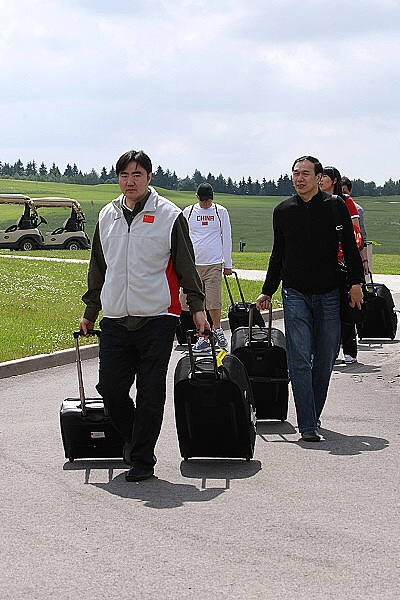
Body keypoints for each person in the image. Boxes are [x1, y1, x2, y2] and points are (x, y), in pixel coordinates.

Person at [80, 149, 210, 481]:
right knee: (110, 389)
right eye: (124, 175)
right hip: (115, 317)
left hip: (158, 316)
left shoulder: (169, 215)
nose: (130, 181)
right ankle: (136, 439)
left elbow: (186, 266)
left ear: (149, 177)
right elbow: (98, 267)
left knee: (151, 391)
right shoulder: (107, 215)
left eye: (137, 174)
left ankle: (141, 458)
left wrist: (197, 309)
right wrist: (91, 310)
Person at [256, 156, 364, 442]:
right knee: (300, 358)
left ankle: (312, 414)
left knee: (325, 359)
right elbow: (278, 253)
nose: (299, 178)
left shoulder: (335, 206)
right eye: (296, 173)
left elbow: (349, 248)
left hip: (329, 293)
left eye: (306, 173)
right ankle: (307, 423)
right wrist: (268, 290)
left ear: (319, 178)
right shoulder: (283, 211)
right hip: (295, 293)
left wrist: (356, 283)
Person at [181, 182, 233, 353]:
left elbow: (226, 237)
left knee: (213, 299)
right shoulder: (188, 212)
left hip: (214, 263)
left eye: (209, 200)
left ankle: (217, 329)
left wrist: (228, 264)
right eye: (203, 200)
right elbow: (183, 238)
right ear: (197, 197)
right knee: (196, 302)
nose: (206, 203)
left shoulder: (220, 212)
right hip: (193, 265)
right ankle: (204, 335)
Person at [340, 176, 370, 363]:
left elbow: (360, 238)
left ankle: (349, 350)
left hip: (348, 263)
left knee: (349, 307)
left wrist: (364, 261)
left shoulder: (355, 208)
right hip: (329, 266)